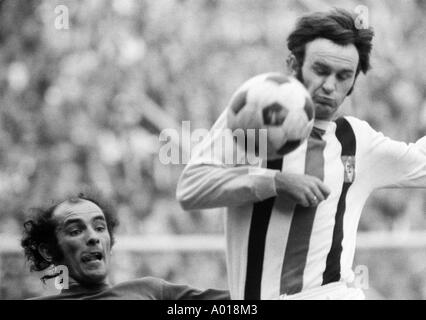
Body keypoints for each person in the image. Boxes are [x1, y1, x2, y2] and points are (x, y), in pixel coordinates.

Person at [176, 8, 426, 300]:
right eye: (320, 70)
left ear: (354, 82)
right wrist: (276, 182)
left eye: (344, 76)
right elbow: (191, 188)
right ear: (293, 64)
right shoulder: (256, 115)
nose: (330, 86)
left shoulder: (358, 141)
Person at [21, 192, 229, 300]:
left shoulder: (153, 292)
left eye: (100, 227)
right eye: (75, 231)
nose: (94, 237)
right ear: (47, 250)